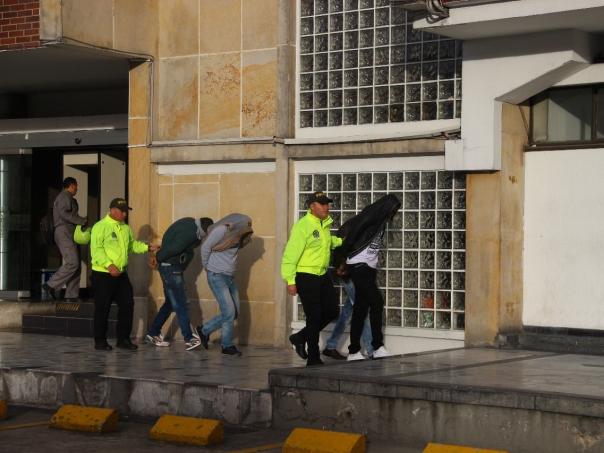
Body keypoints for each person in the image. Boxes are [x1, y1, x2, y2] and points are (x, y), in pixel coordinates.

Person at [333, 194, 401, 361]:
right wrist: (342, 259)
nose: (394, 214)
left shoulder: (382, 221)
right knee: (376, 302)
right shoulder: (370, 215)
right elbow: (352, 234)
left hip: (369, 267)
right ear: (387, 207)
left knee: (361, 308)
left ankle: (353, 351)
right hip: (358, 264)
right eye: (394, 210)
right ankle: (377, 347)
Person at [281, 191, 342, 366]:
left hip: (322, 274)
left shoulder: (324, 225)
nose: (326, 207)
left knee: (332, 311)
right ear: (312, 206)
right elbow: (290, 255)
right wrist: (290, 280)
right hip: (306, 276)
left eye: (327, 204)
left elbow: (327, 242)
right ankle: (313, 358)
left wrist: (343, 241)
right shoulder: (303, 226)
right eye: (322, 204)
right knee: (314, 316)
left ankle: (300, 337)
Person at [90, 198, 158, 351]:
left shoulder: (125, 228)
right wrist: (109, 265)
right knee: (102, 308)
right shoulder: (100, 226)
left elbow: (132, 245)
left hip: (121, 274)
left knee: (127, 304)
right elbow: (96, 250)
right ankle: (100, 341)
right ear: (113, 211)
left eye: (126, 211)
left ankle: (123, 339)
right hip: (103, 274)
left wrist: (148, 247)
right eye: (123, 211)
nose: (125, 214)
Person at [146, 217, 214, 350]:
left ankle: (153, 332)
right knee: (181, 303)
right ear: (205, 230)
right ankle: (189, 339)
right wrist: (157, 257)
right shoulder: (191, 232)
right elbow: (174, 248)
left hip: (169, 267)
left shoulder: (191, 225)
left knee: (170, 303)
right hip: (171, 268)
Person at [195, 213, 253, 356]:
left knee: (234, 312)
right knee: (229, 312)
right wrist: (207, 267)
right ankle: (226, 345)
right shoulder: (221, 230)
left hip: (229, 277)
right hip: (217, 276)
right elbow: (205, 247)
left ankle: (204, 331)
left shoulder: (238, 235)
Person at [43, 177, 87, 302]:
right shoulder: (64, 196)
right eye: (76, 186)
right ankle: (50, 285)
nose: (77, 189)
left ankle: (71, 295)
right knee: (73, 262)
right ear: (71, 185)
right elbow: (64, 214)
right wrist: (81, 220)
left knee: (76, 265)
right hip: (64, 232)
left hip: (70, 233)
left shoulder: (68, 197)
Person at [322, 267, 374, 360]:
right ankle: (371, 350)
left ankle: (330, 346)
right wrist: (341, 267)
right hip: (347, 272)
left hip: (356, 273)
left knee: (347, 313)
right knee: (362, 310)